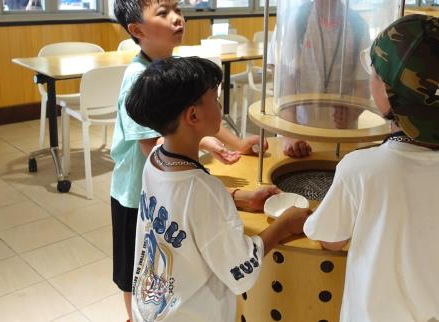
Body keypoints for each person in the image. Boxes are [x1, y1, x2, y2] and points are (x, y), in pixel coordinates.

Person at [304, 14, 439, 322]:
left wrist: (301, 217)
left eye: (373, 72)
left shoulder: (360, 169)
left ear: (387, 90)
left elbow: (331, 240)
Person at [109, 0, 270, 322]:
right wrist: (222, 188)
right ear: (137, 29)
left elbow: (186, 124)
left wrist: (234, 144)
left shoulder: (170, 68)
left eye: (178, 9)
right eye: (163, 12)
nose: (177, 18)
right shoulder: (139, 78)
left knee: (171, 259)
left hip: (166, 181)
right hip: (136, 191)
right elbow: (152, 143)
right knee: (136, 265)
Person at [125, 56, 309, 321]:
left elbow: (185, 209)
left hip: (153, 311)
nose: (220, 104)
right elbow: (241, 271)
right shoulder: (204, 189)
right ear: (193, 115)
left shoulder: (155, 159)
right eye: (215, 97)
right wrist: (284, 226)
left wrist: (239, 198)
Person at [277, 0, 370, 158]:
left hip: (343, 139)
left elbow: (362, 86)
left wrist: (352, 112)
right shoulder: (297, 20)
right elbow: (286, 81)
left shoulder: (357, 25)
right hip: (299, 135)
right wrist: (290, 133)